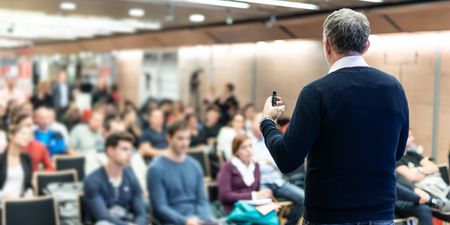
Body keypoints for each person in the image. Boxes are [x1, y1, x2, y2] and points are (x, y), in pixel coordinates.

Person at [260, 8, 409, 224]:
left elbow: (287, 160)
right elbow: (397, 152)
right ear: (366, 46)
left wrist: (267, 122)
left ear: (327, 45)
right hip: (381, 213)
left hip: (329, 216)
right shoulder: (394, 88)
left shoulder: (316, 93)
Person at [147, 120, 215, 225]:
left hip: (196, 218)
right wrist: (185, 221)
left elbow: (202, 201)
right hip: (172, 221)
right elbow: (160, 207)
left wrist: (206, 219)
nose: (185, 143)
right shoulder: (156, 169)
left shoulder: (195, 165)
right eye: (180, 138)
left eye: (187, 138)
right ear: (168, 138)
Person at [250, 113, 304, 225]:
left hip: (277, 181)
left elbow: (278, 162)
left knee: (305, 198)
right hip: (260, 182)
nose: (261, 125)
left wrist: (264, 163)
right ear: (252, 124)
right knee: (264, 206)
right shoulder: (248, 142)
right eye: (258, 122)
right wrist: (266, 163)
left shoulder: (270, 139)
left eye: (262, 122)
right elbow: (253, 166)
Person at [83, 132, 147, 225]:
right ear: (110, 151)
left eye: (130, 150)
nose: (129, 154)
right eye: (124, 149)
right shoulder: (92, 180)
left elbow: (141, 213)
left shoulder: (131, 177)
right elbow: (102, 216)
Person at [217, 134, 272, 213]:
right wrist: (254, 196)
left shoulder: (255, 166)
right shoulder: (228, 166)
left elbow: (256, 191)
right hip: (234, 209)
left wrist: (264, 197)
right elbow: (224, 195)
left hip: (252, 207)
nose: (249, 150)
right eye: (244, 148)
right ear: (236, 151)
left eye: (250, 146)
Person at [0, 125, 34, 201]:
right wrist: (4, 197)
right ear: (11, 136)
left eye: (29, 135)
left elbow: (28, 185)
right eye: (23, 133)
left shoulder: (27, 158)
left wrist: (29, 194)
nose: (27, 137)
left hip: (21, 203)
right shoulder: (1, 159)